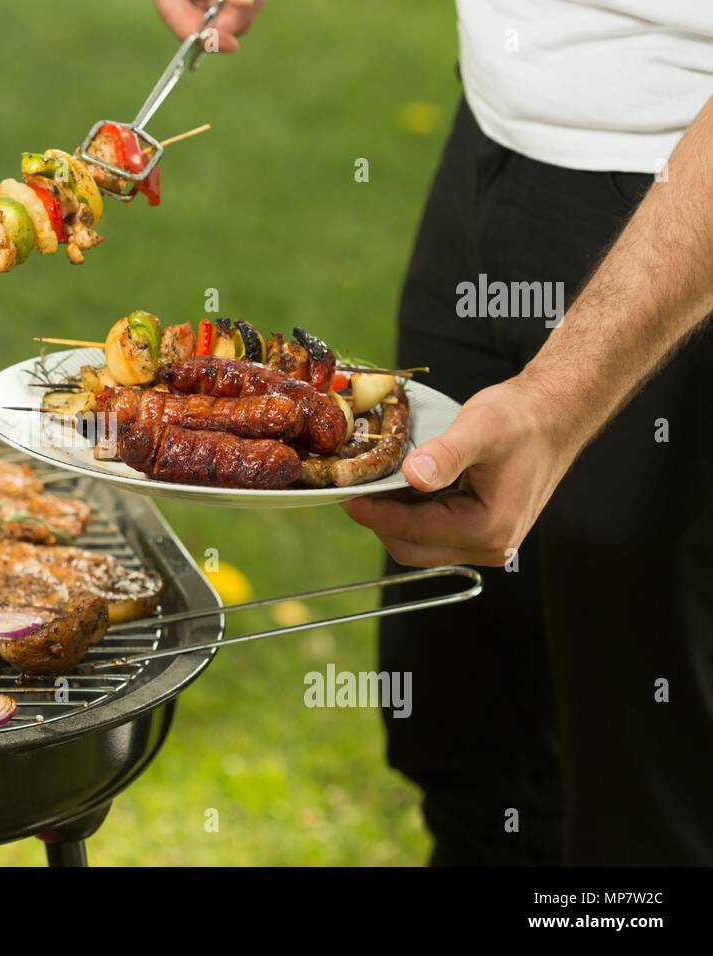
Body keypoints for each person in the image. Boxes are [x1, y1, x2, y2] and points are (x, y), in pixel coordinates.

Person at [157, 0, 713, 865]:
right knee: (465, 731)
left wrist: (562, 396)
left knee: (651, 785)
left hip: (683, 205)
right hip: (494, 136)